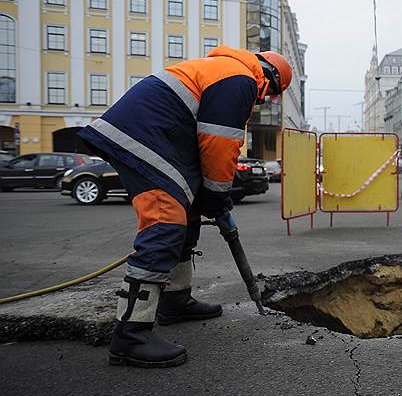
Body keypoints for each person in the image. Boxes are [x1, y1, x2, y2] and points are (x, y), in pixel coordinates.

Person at [79, 46, 292, 368]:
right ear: (271, 79)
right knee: (165, 222)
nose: (264, 101)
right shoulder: (240, 79)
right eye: (272, 95)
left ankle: (175, 300)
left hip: (157, 136)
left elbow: (204, 137)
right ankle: (130, 335)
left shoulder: (225, 71)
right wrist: (218, 195)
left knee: (187, 217)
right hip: (143, 135)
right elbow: (219, 143)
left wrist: (205, 196)